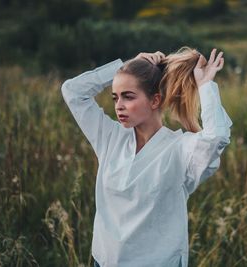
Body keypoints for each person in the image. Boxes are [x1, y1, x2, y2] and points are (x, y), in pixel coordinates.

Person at [61, 47, 233, 267]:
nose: (118, 106)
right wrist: (124, 65)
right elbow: (72, 91)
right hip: (105, 261)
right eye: (115, 98)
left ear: (155, 101)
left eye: (128, 97)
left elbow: (217, 136)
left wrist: (205, 85)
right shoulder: (110, 137)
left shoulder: (180, 149)